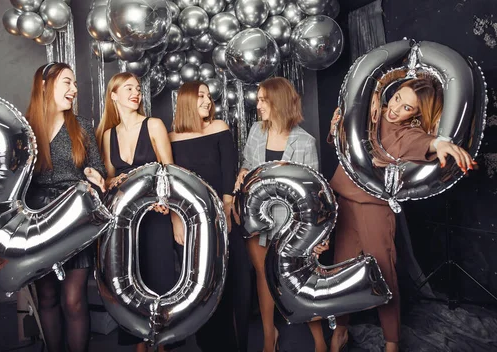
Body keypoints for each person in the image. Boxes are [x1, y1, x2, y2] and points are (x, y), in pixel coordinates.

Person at [327, 76, 476, 352]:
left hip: (375, 206)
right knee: (341, 271)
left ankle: (392, 343)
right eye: (397, 98)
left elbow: (424, 142)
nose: (396, 109)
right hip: (345, 200)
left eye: (407, 107)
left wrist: (440, 144)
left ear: (416, 114)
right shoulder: (369, 110)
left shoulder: (406, 132)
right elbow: (343, 139)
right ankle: (340, 331)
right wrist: (345, 118)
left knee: (384, 274)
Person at [235, 77, 329, 352]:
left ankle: (320, 342)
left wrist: (319, 236)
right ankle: (268, 336)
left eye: (264, 99)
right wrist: (242, 172)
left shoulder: (304, 142)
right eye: (258, 99)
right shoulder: (255, 130)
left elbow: (314, 194)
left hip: (292, 225)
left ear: (279, 101)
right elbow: (248, 165)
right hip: (258, 219)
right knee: (264, 276)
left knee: (298, 280)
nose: (258, 104)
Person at [25, 62, 107, 352]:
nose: (74, 90)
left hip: (74, 219)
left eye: (75, 85)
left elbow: (97, 169)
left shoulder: (82, 126)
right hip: (36, 220)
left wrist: (95, 177)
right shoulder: (23, 127)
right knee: (46, 296)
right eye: (67, 83)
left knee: (73, 299)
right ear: (45, 86)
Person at [95, 72, 178, 352]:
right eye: (128, 88)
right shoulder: (108, 135)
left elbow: (170, 171)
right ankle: (139, 345)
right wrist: (111, 181)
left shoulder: (154, 125)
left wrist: (168, 206)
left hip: (155, 215)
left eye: (138, 88)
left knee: (160, 278)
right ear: (114, 95)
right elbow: (108, 180)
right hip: (124, 223)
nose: (136, 92)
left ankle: (163, 343)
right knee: (128, 281)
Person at [169, 81, 251, 352]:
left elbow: (229, 172)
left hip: (220, 219)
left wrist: (227, 211)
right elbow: (171, 184)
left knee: (228, 284)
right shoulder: (171, 139)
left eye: (208, 96)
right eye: (200, 96)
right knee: (200, 285)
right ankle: (208, 345)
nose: (207, 100)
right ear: (186, 102)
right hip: (191, 223)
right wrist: (175, 219)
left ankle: (233, 346)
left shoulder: (219, 128)